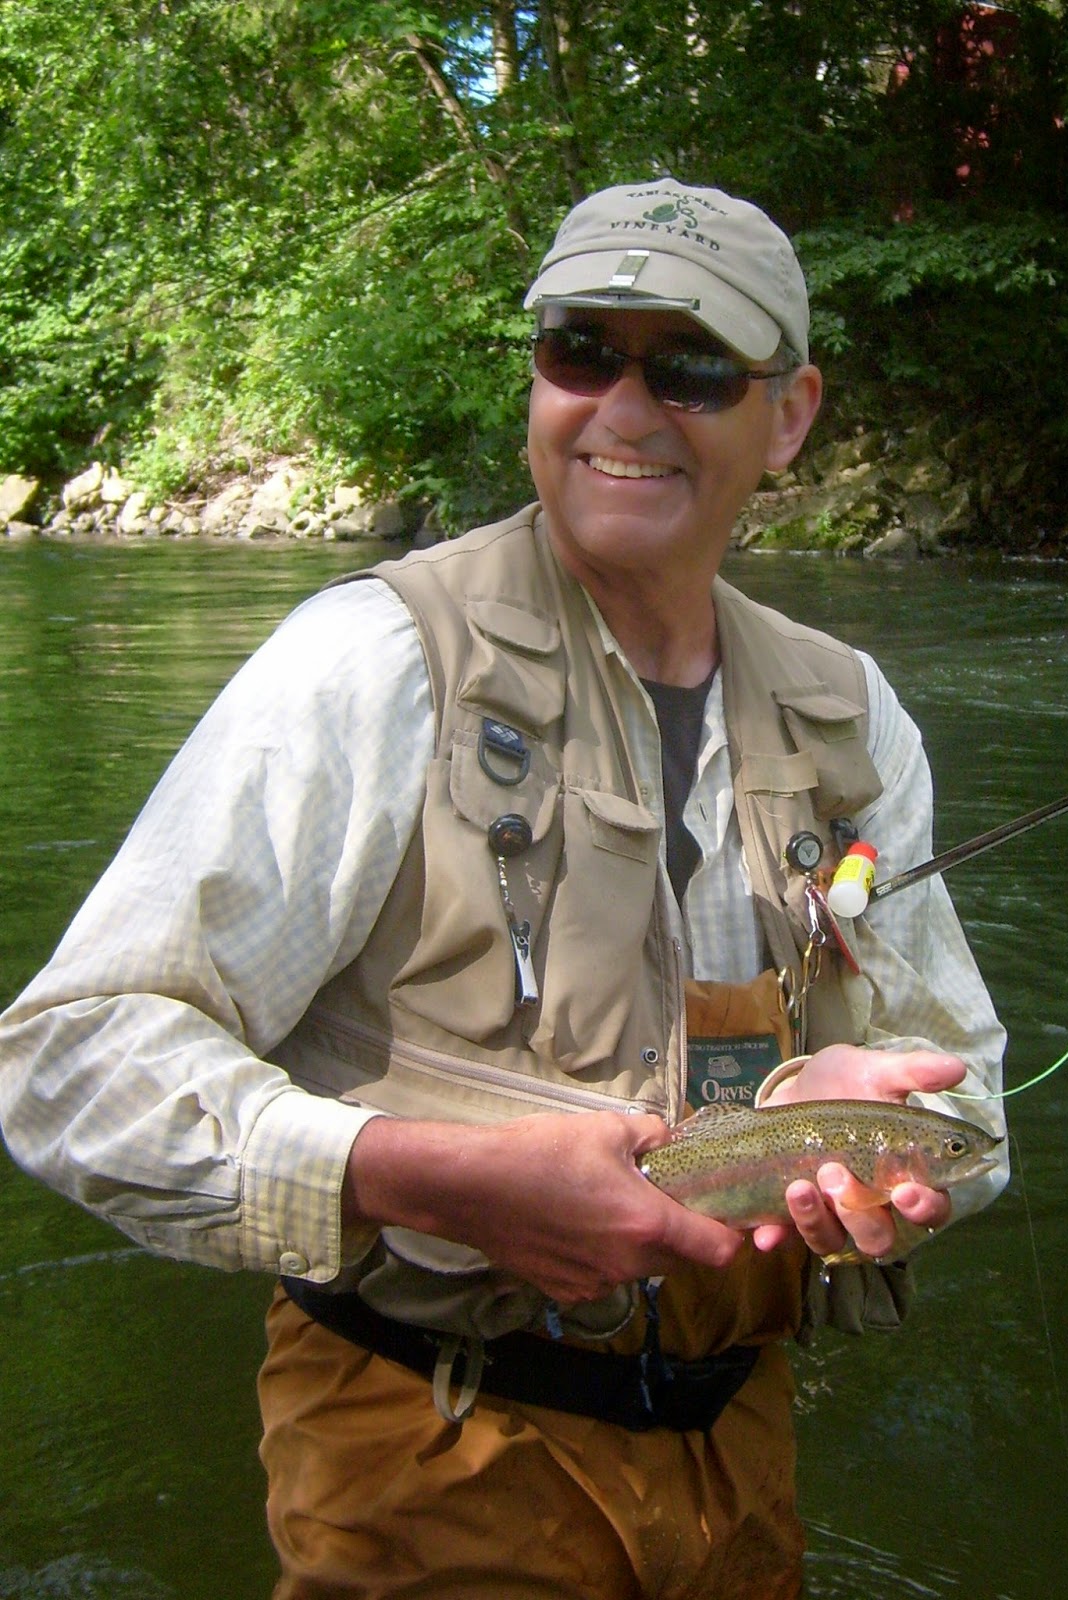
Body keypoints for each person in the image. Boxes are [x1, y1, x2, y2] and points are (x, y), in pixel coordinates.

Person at [0, 177, 1008, 1599]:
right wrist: (415, 1175)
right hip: (425, 1454)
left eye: (693, 367)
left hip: (741, 1449)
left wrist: (877, 1133)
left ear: (787, 417)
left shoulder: (851, 718)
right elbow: (65, 1063)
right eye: (580, 351)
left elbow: (971, 1107)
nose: (622, 408)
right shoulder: (371, 660)